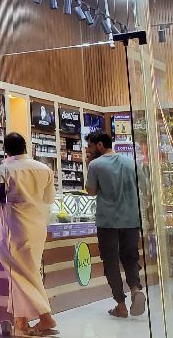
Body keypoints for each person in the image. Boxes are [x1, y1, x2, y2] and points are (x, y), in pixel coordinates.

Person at [0, 133, 57, 336]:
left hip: (13, 227)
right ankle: (21, 321)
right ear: (25, 146)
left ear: (5, 150)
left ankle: (45, 316)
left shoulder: (3, 170)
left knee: (19, 274)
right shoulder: (44, 169)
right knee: (29, 271)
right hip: (37, 226)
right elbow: (49, 199)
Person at [84, 131, 145, 318]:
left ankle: (121, 304)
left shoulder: (95, 165)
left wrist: (88, 166)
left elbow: (91, 190)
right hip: (131, 220)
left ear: (100, 145)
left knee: (110, 262)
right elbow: (144, 185)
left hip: (108, 222)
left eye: (90, 146)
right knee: (130, 257)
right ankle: (135, 289)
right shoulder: (131, 163)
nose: (88, 150)